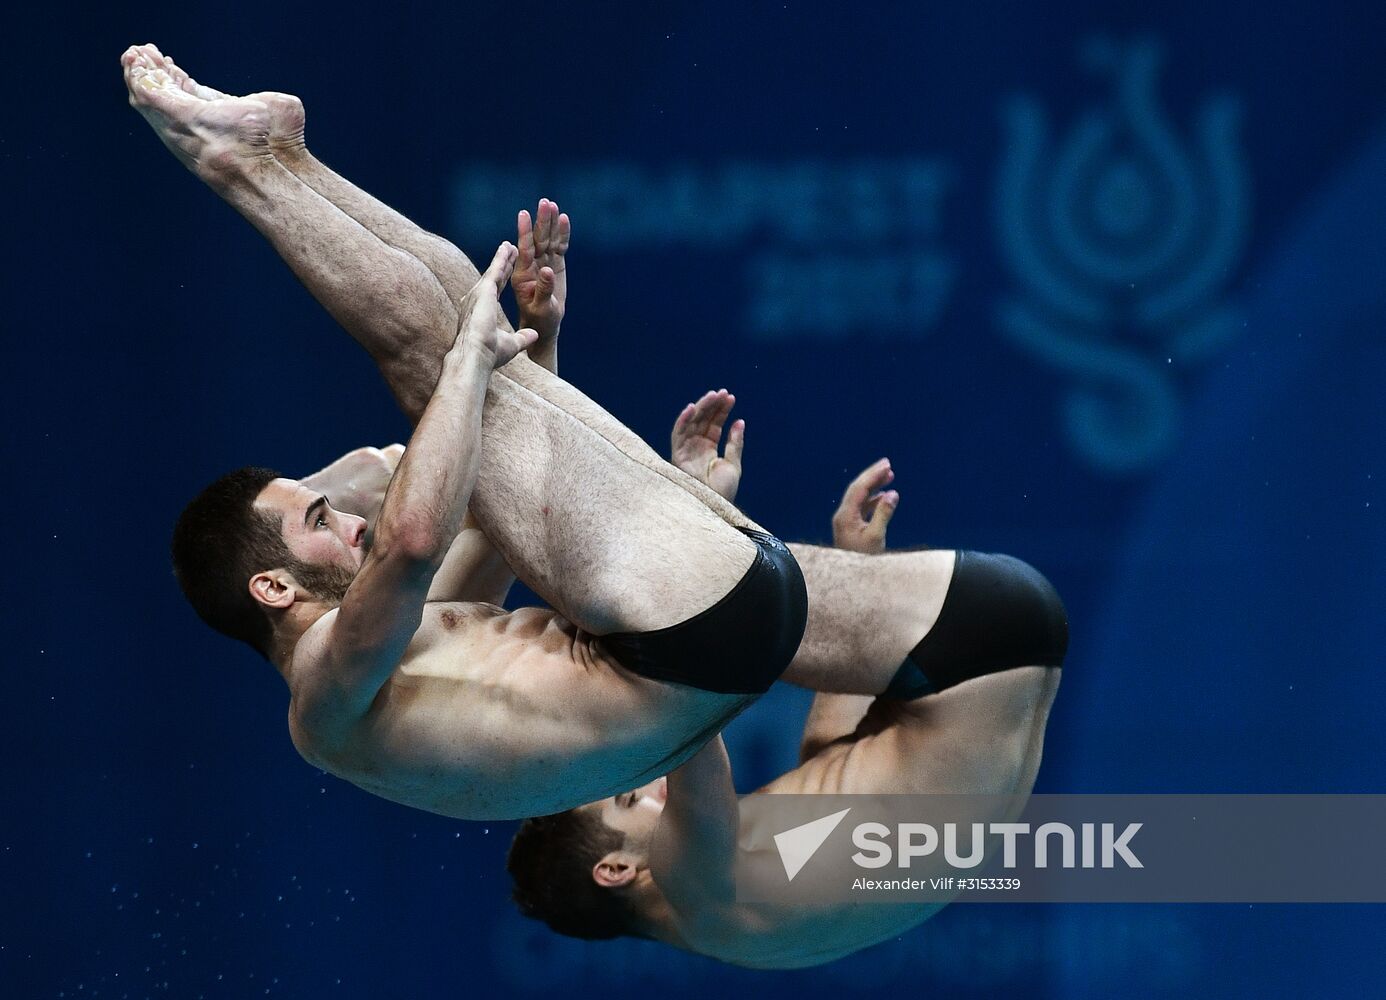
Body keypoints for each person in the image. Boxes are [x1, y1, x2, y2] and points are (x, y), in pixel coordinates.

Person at [125, 44, 1066, 823]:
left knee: (461, 336)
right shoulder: (325, 702)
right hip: (686, 641)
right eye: (319, 520)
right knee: (433, 357)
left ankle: (285, 157)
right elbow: (413, 539)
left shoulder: (400, 660)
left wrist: (536, 350)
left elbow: (502, 523)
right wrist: (471, 369)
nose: (352, 522)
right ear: (273, 587)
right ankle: (240, 164)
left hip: (718, 629)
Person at [508, 397, 1063, 967]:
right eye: (629, 797)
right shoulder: (695, 887)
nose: (647, 781)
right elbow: (687, 695)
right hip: (970, 640)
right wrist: (695, 504)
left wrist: (860, 578)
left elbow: (836, 776)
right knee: (648, 595)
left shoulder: (757, 937)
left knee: (691, 601)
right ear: (615, 869)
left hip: (1000, 653)